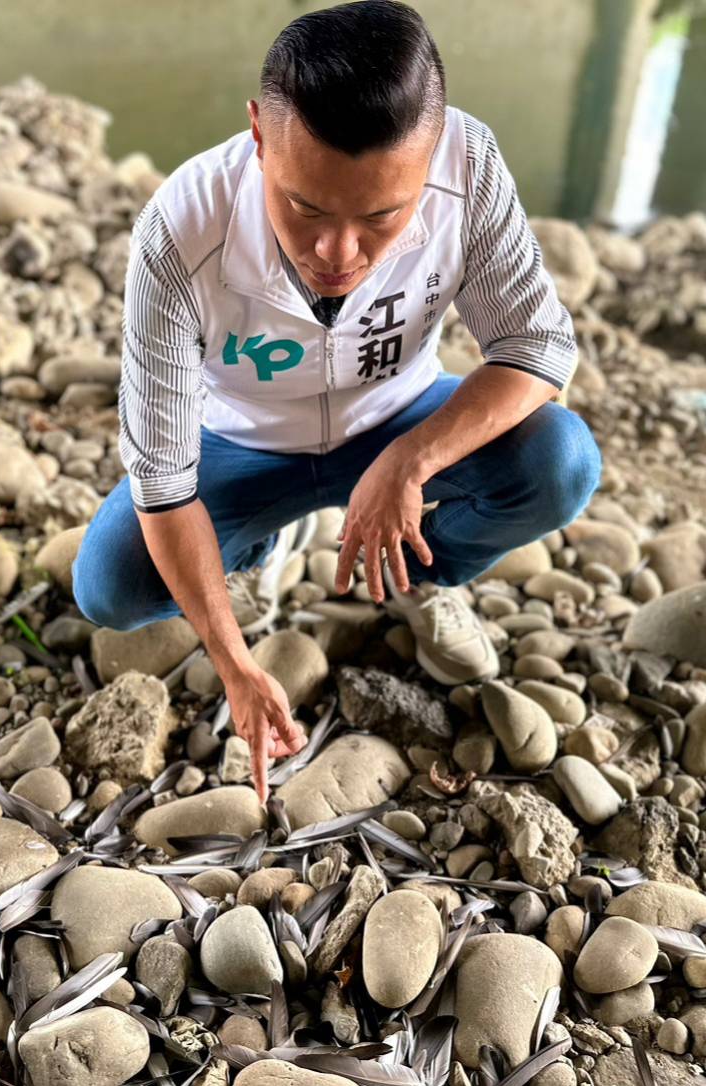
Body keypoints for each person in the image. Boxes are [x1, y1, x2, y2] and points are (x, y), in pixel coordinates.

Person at [72, 0, 601, 800]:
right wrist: (236, 664)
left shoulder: (468, 163)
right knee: (109, 586)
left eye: (382, 216)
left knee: (561, 459)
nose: (338, 253)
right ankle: (262, 547)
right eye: (305, 207)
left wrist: (411, 460)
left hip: (397, 412)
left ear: (433, 154)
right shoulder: (180, 228)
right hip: (239, 443)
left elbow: (537, 348)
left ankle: (419, 577)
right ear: (259, 134)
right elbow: (163, 476)